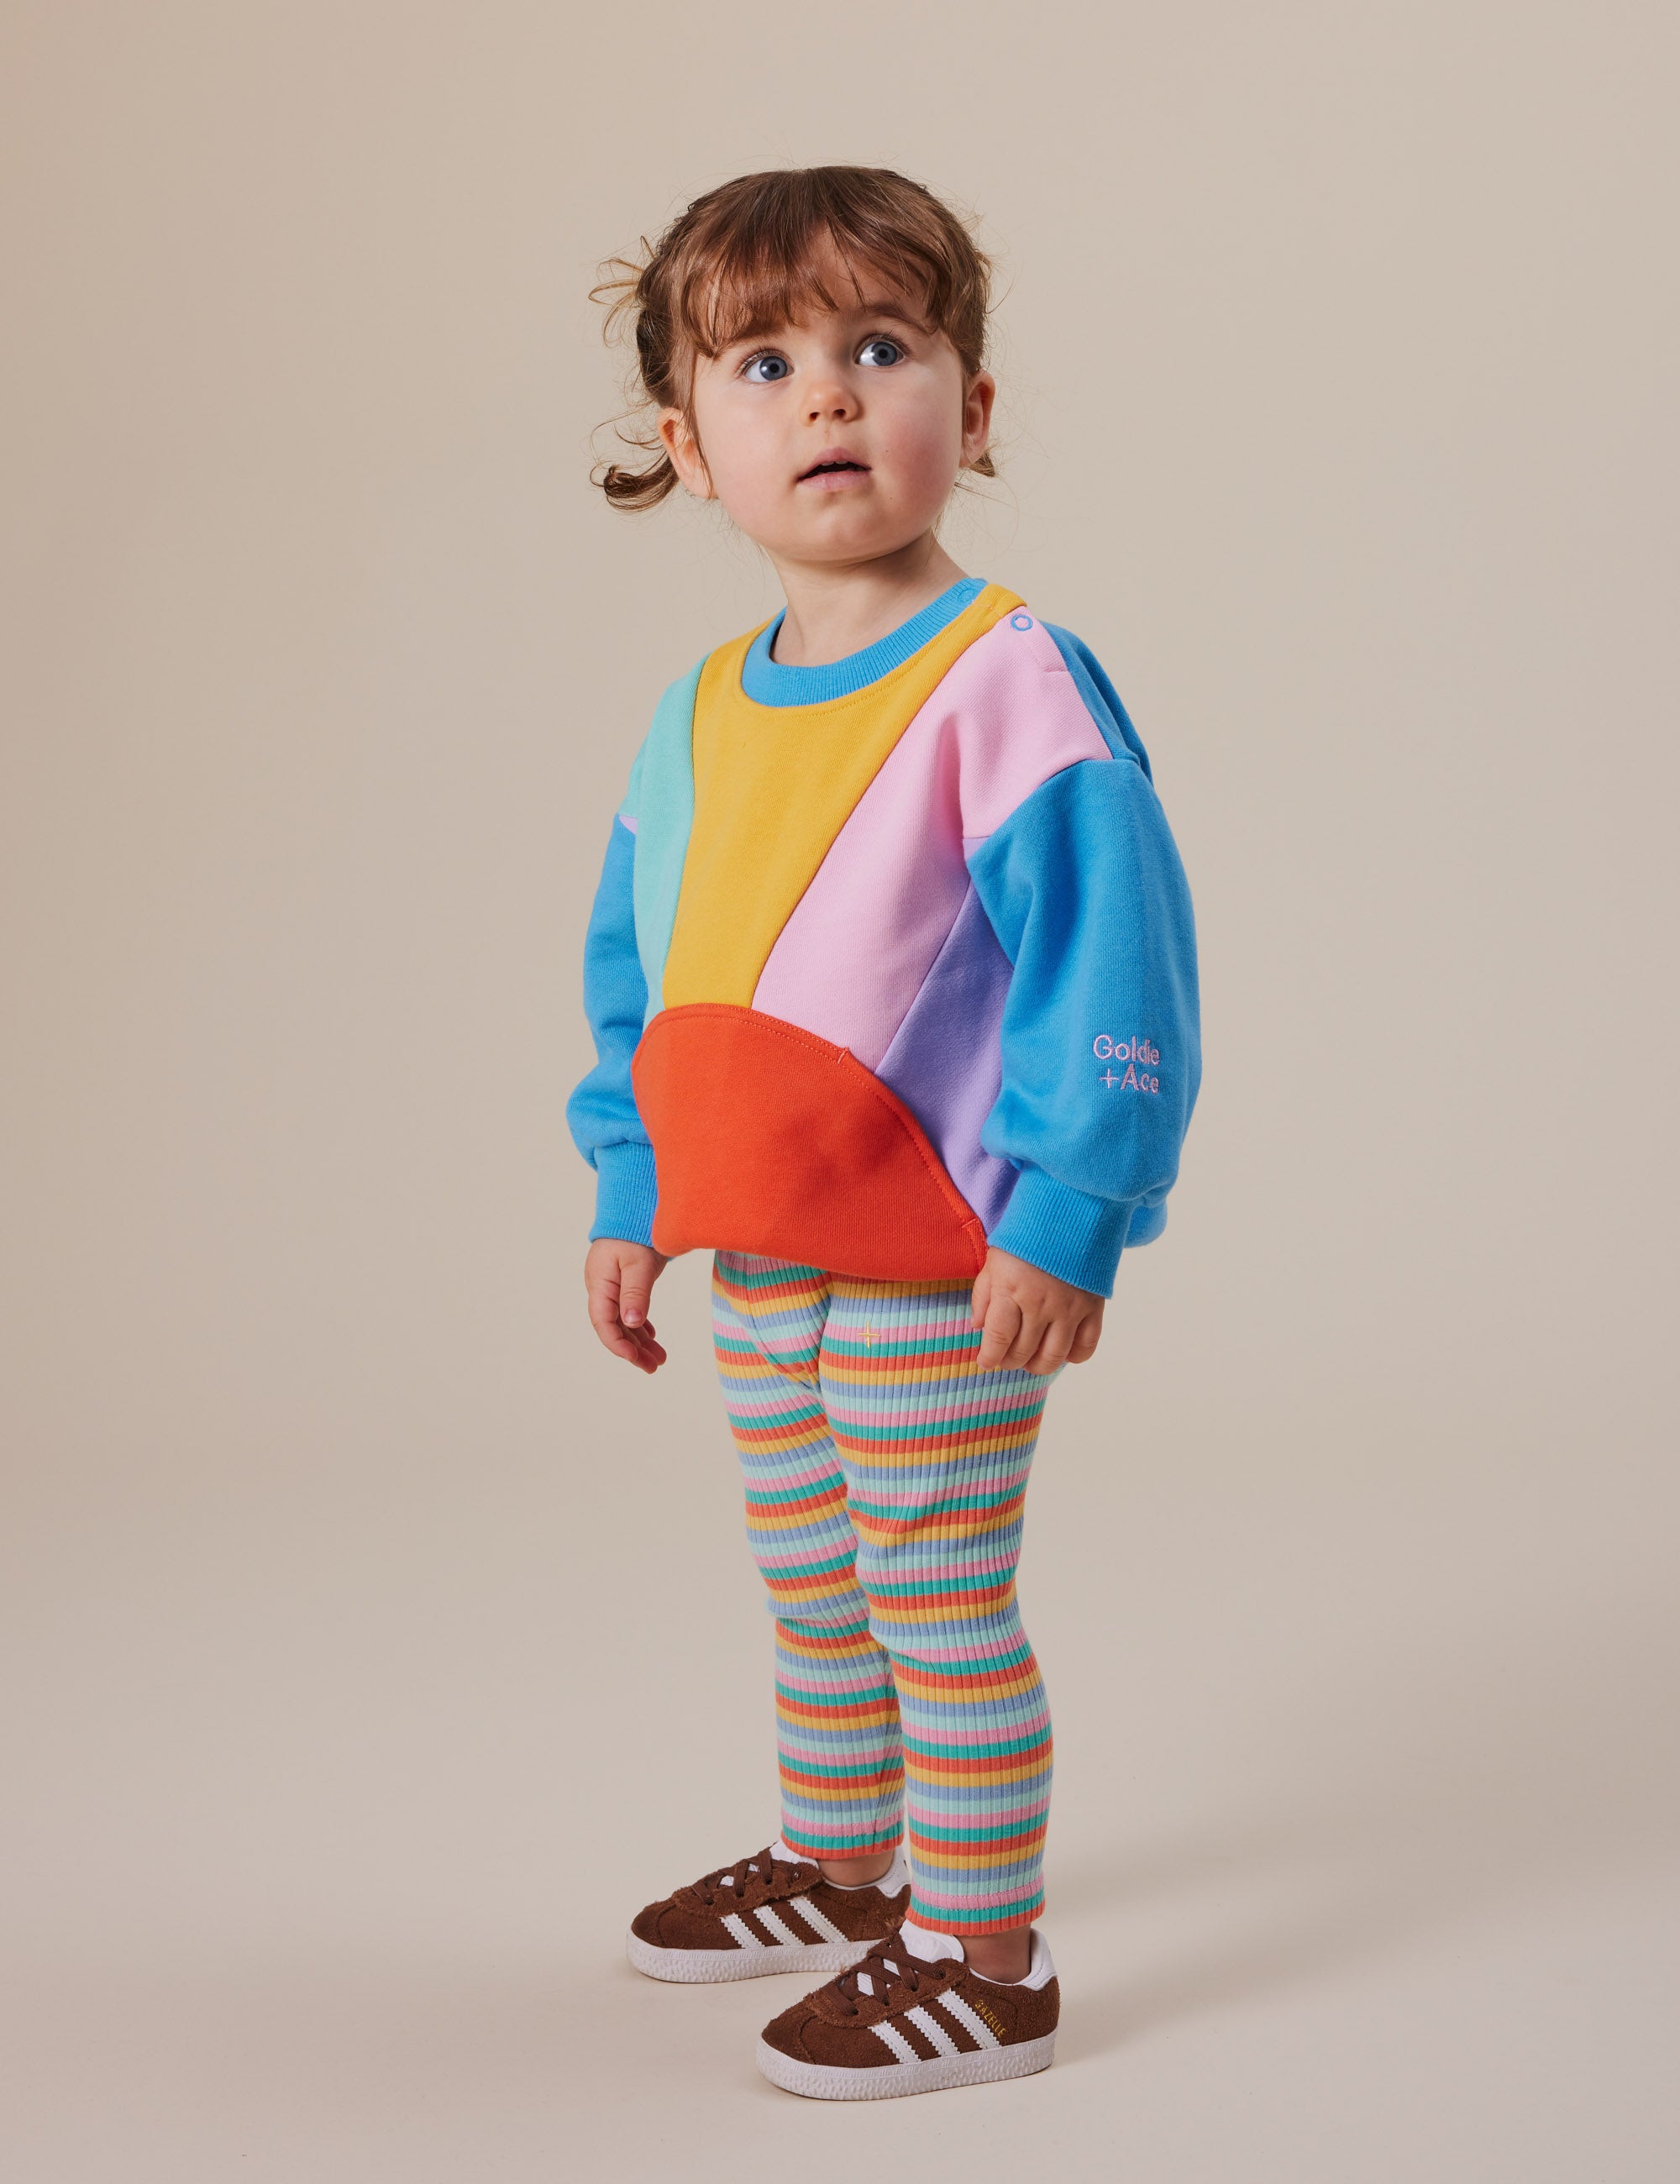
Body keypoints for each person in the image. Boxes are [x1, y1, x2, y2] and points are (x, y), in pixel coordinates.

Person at [565, 165, 1201, 2100]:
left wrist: (1071, 1212)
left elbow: (1118, 968)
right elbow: (644, 975)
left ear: (971, 408)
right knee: (816, 1581)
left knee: (936, 1594)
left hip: (938, 1254)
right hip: (752, 1248)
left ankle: (980, 1952)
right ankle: (842, 1862)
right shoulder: (691, 716)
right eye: (765, 362)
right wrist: (629, 1181)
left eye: (879, 347)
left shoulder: (1008, 683)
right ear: (688, 445)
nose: (826, 398)